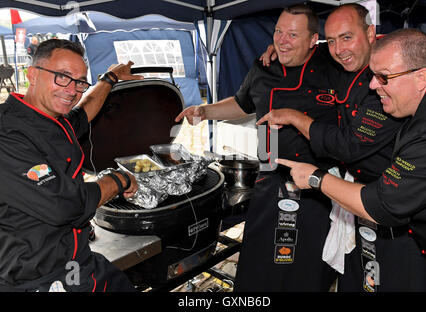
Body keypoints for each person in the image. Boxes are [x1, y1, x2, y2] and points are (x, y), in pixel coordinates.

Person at [257, 3, 426, 291]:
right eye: (330, 40)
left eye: (346, 37)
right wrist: (282, 46)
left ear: (371, 34)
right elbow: (308, 50)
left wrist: (315, 173)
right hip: (364, 199)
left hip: (395, 210)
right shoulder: (344, 62)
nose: (373, 85)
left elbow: (353, 151)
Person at [176, 4, 341, 291]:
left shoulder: (334, 65)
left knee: (307, 269)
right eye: (278, 31)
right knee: (259, 263)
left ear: (314, 40)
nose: (282, 40)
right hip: (269, 177)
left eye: (293, 34)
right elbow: (242, 103)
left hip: (317, 185)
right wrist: (204, 111)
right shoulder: (263, 66)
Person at [0, 39, 144, 292]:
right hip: (37, 276)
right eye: (62, 77)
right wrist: (118, 180)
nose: (72, 89)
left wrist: (110, 78)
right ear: (32, 74)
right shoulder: (7, 132)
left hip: (77, 260)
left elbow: (84, 111)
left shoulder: (51, 118)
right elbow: (63, 205)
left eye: (79, 81)